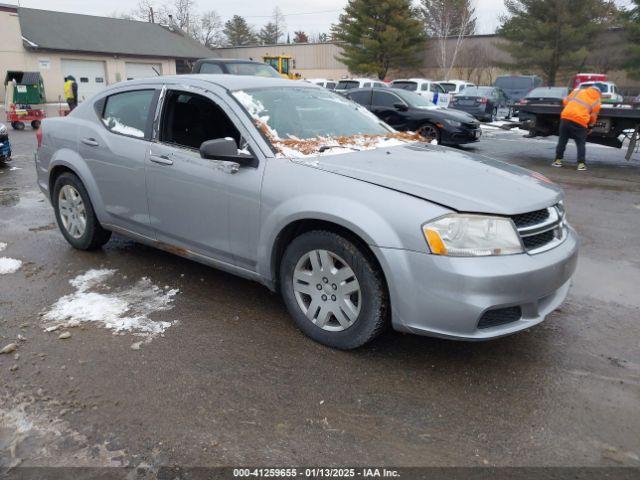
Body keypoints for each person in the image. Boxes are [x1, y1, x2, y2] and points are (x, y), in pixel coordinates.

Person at [552, 85, 602, 171]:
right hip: (581, 121)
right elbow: (593, 116)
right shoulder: (597, 101)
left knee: (562, 140)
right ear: (599, 93)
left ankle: (558, 161)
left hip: (566, 117)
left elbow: (565, 102)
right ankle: (581, 164)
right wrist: (590, 126)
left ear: (589, 88)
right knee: (580, 144)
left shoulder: (578, 91)